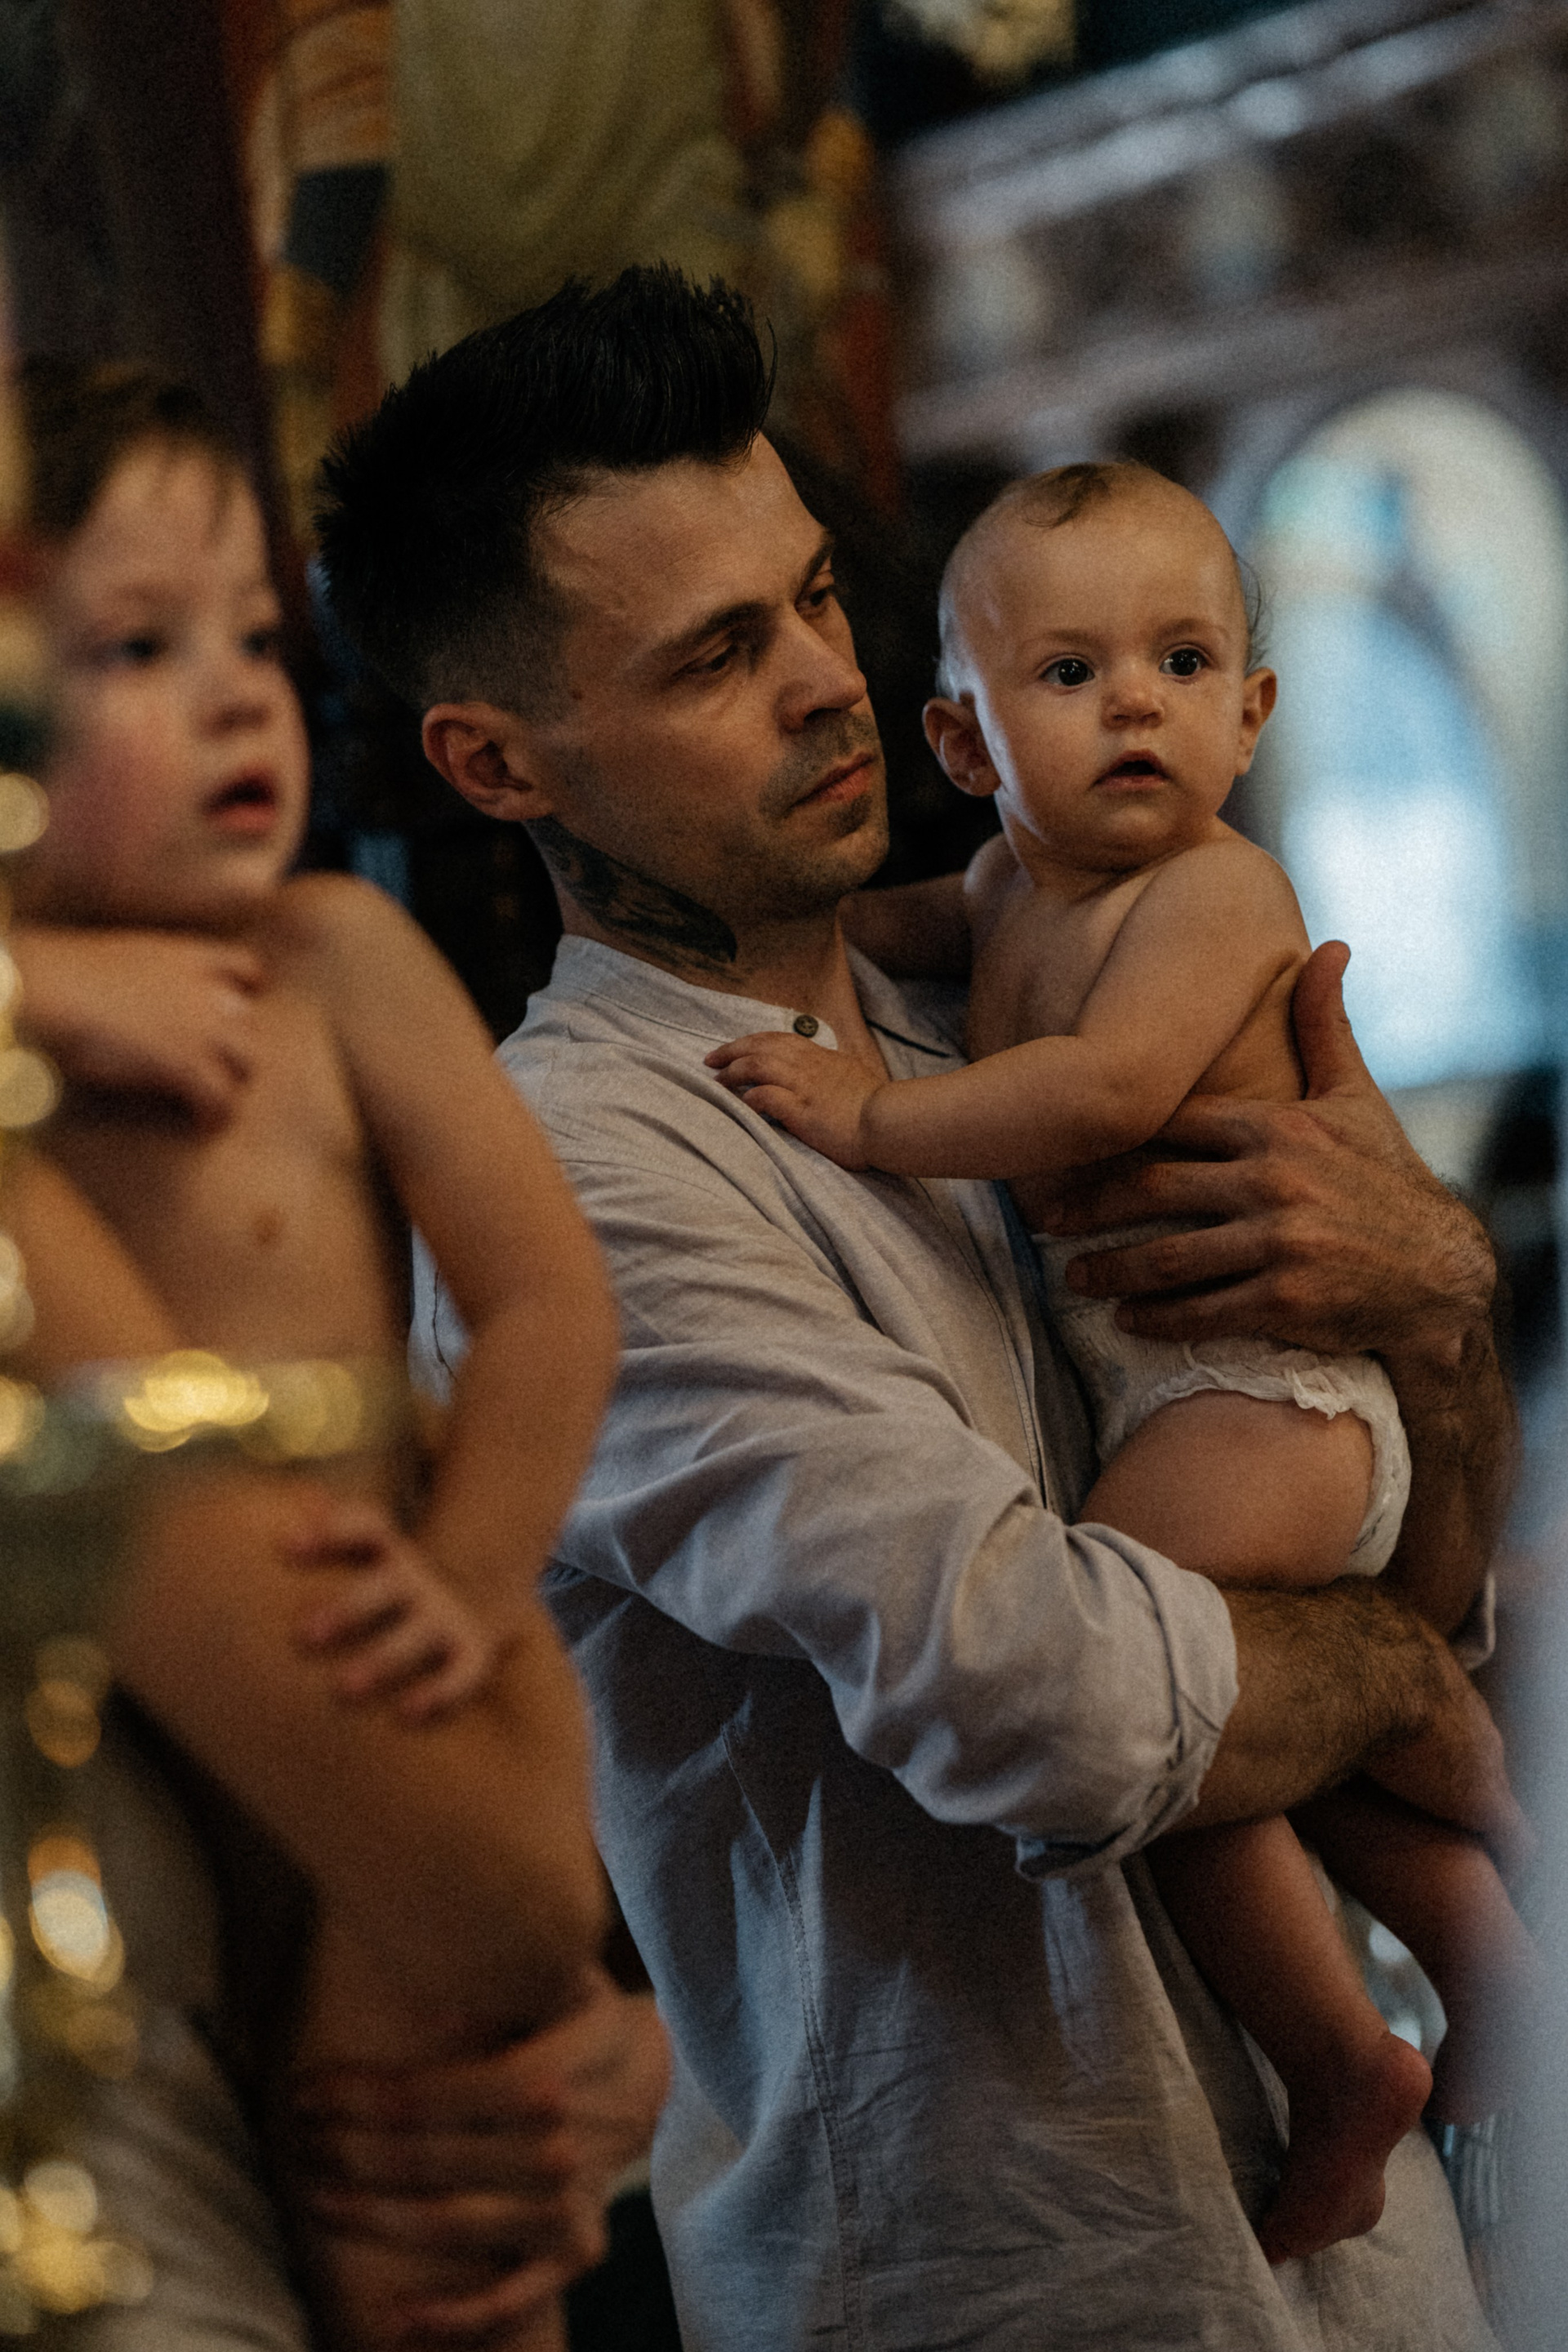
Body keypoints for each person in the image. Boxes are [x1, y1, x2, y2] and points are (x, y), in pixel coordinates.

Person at [317, 265, 1521, 2350]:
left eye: (811, 598)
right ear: (497, 762)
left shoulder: (1026, 990)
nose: (827, 680)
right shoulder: (573, 1174)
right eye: (720, 654)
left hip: (1368, 2278)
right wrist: (1394, 1683)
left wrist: (1438, 1320)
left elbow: (1425, 1575)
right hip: (992, 2273)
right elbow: (1039, 1695)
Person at [705, 457, 1537, 2259]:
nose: (1135, 705)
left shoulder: (1218, 896)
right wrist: (786, 935)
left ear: (1253, 712)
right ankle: (1485, 1964)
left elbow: (1106, 1088)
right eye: (1070, 675)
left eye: (1181, 662)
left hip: (1267, 1397)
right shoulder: (1005, 884)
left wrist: (867, 1119)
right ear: (966, 740)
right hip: (1184, 1394)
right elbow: (877, 929)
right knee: (1285, 1748)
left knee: (1149, 1702)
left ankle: (1339, 2059)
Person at [7, 357, 624, 2349]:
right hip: (148, 1791)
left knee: (429, 2215)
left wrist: (471, 1584)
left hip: (389, 1665)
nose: (234, 697)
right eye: (138, 647)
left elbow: (547, 1304)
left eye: (257, 641)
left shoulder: (333, 963)